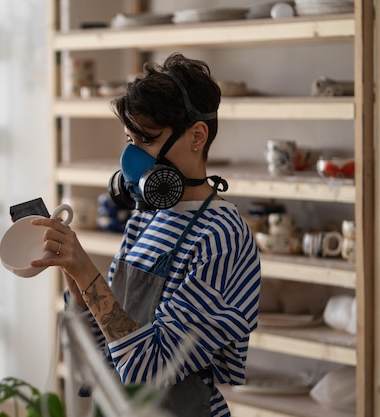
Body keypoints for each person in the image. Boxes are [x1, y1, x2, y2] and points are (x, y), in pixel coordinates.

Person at [30, 52, 261, 417]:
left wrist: (89, 275)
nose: (132, 160)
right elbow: (108, 353)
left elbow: (148, 370)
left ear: (197, 136)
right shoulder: (145, 218)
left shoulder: (222, 238)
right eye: (129, 140)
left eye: (147, 141)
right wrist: (78, 290)